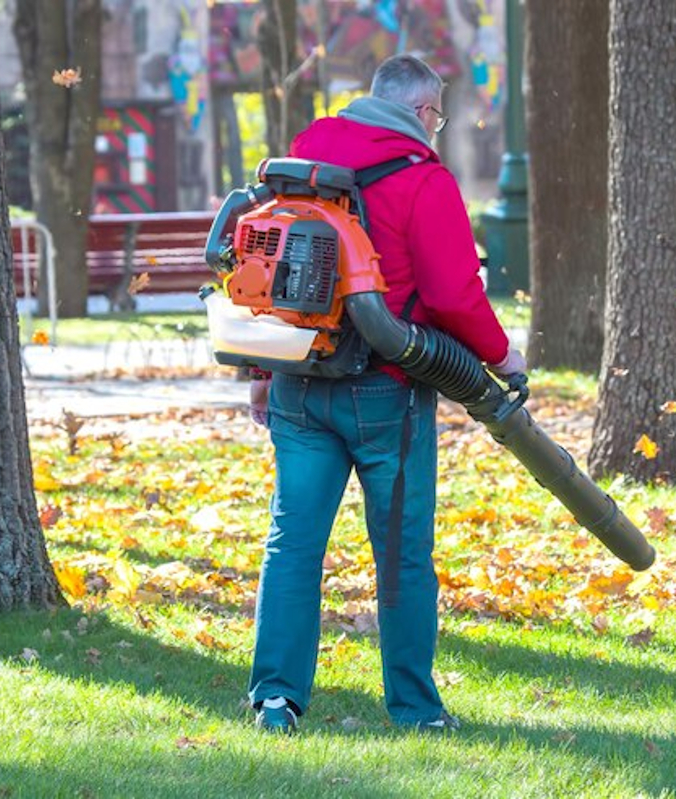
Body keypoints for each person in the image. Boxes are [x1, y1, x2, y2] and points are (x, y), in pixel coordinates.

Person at [246, 54, 526, 735]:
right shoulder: (422, 179)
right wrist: (502, 354)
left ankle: (275, 698)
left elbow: (267, 265)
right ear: (425, 112)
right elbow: (453, 295)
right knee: (401, 553)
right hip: (387, 390)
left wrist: (260, 372)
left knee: (293, 543)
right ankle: (415, 708)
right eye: (438, 116)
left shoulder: (303, 159)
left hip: (298, 378)